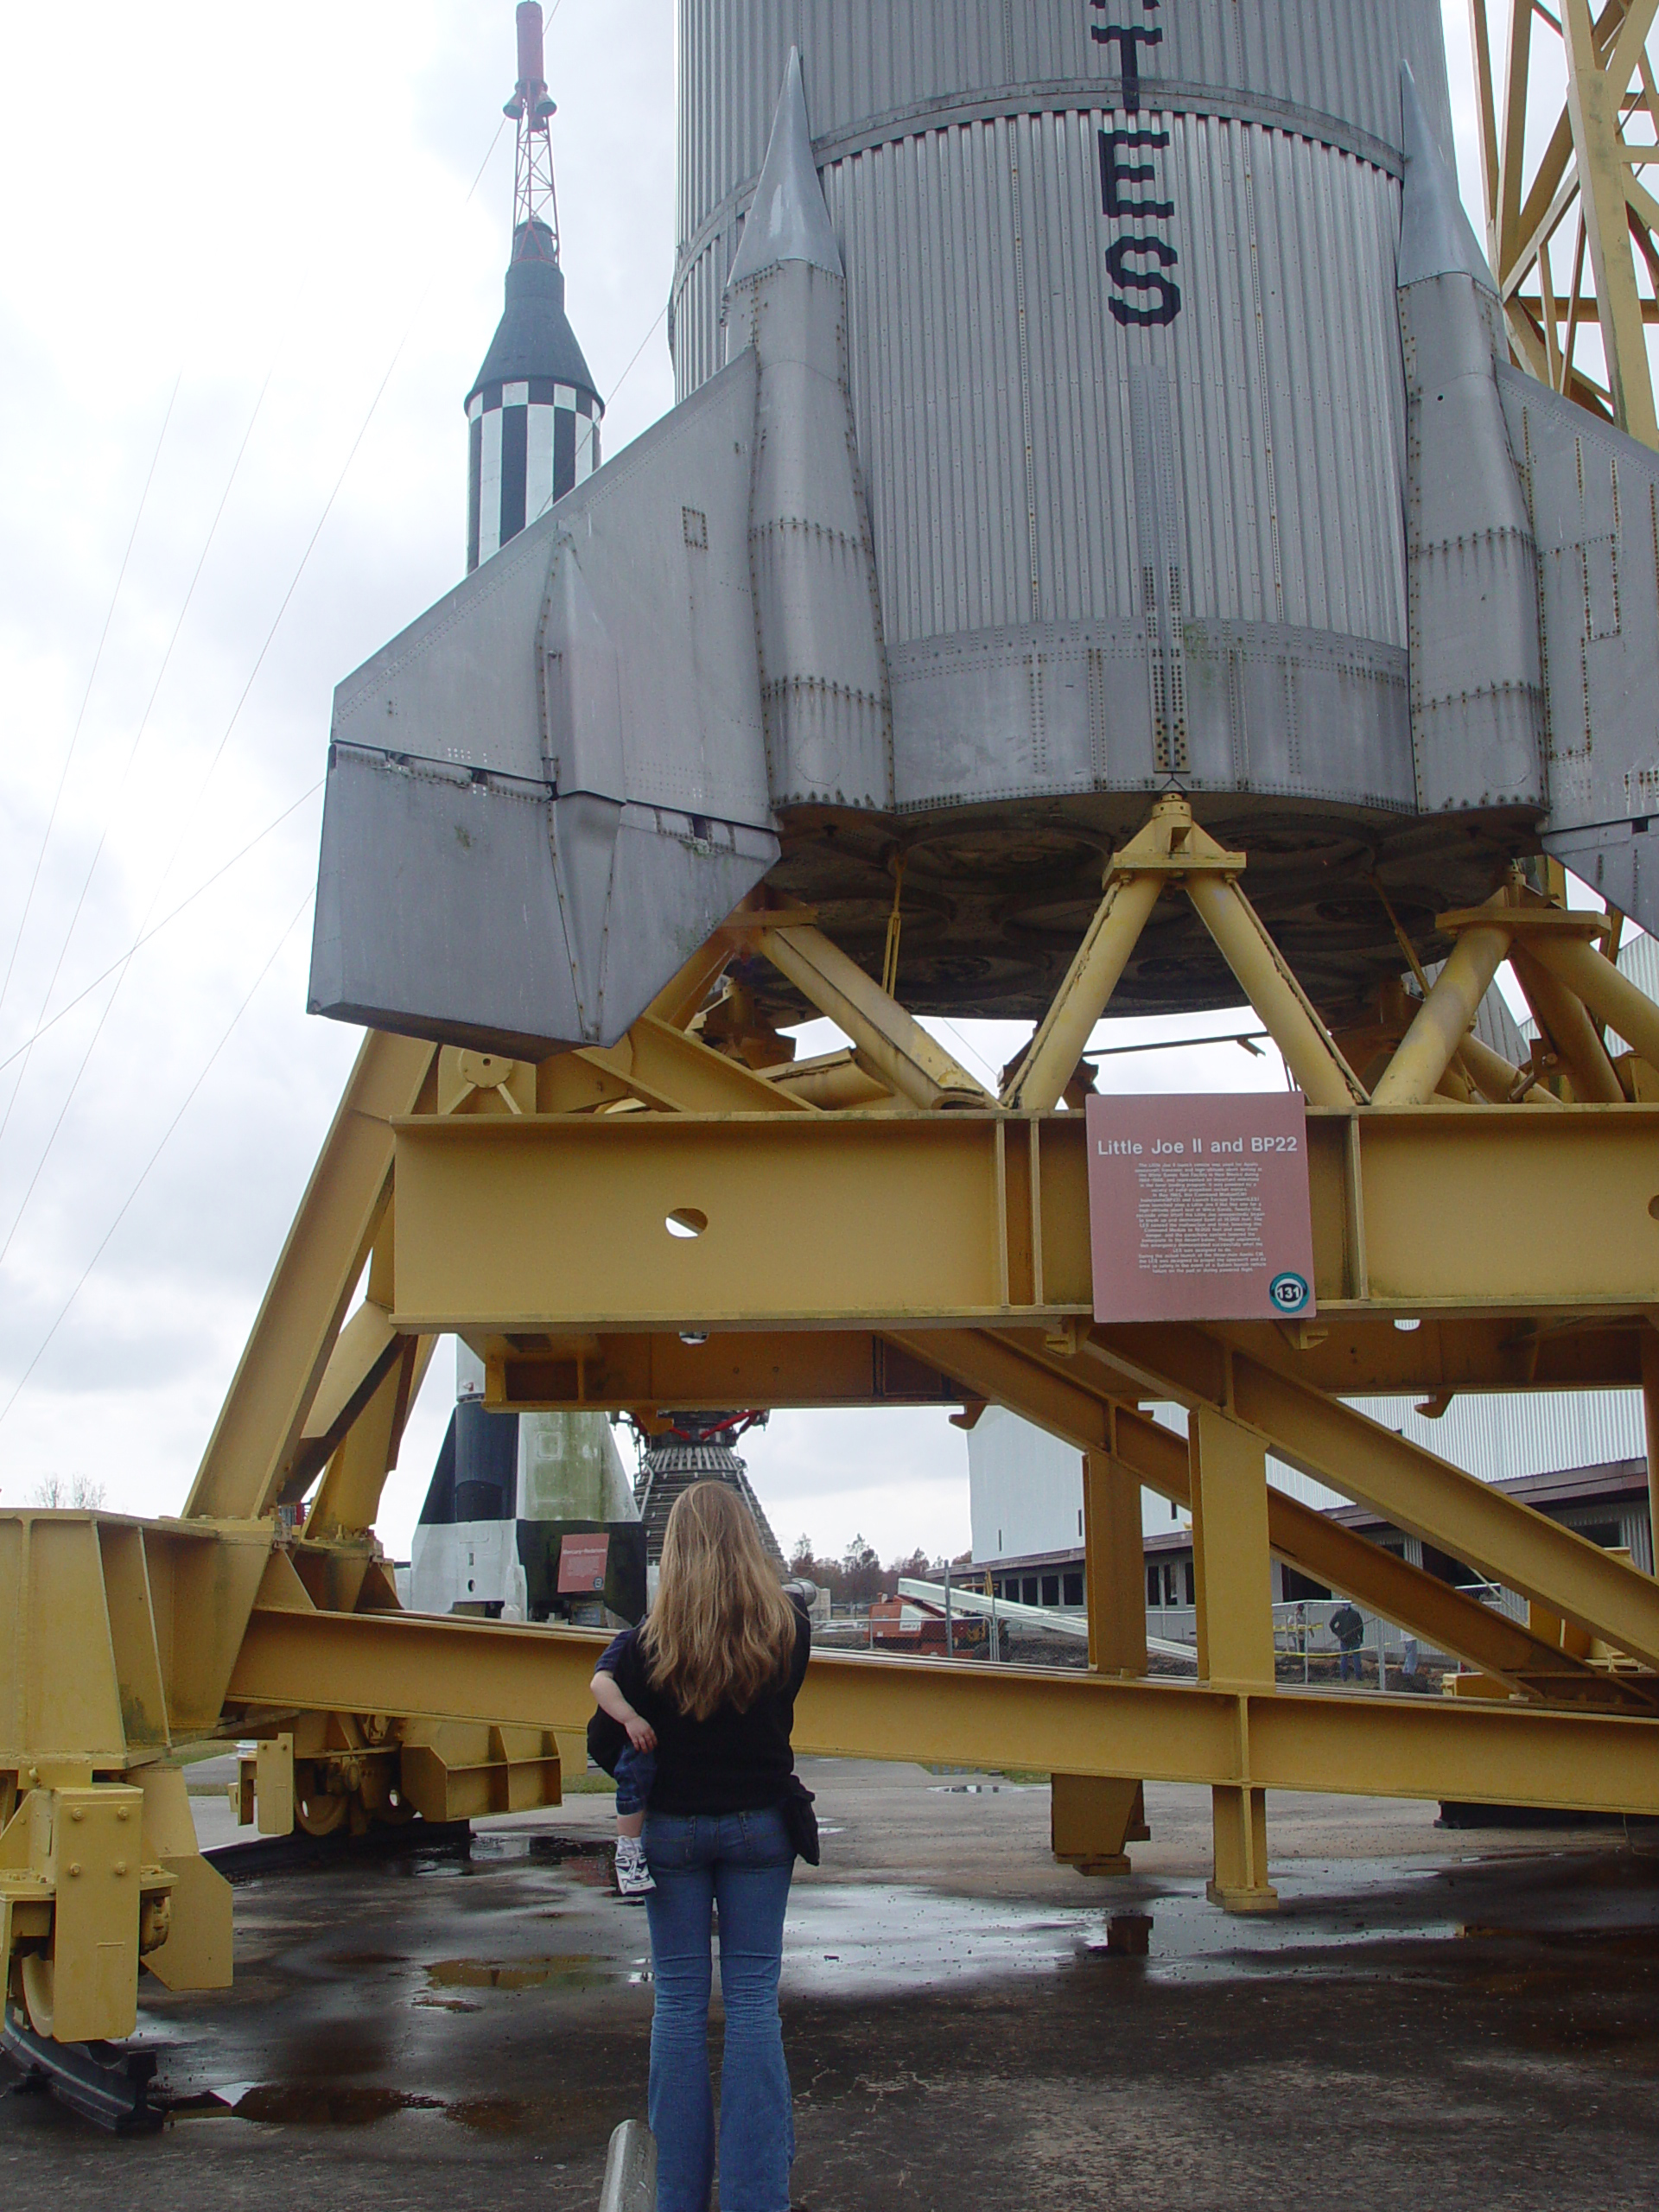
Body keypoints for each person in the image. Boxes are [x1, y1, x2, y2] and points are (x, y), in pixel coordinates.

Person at [587, 1483, 810, 2212]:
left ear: (671, 1550)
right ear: (747, 1540)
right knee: (752, 2004)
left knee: (679, 2006)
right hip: (760, 1829)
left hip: (673, 1833)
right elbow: (780, 1712)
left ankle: (676, 2196)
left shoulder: (645, 1647)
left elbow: (602, 1739)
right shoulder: (790, 1626)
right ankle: (757, 2198)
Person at [591, 1636, 659, 1895]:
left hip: (655, 1727)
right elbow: (599, 1682)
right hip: (632, 1733)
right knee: (636, 1772)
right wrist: (629, 1718)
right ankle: (628, 1851)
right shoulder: (633, 1640)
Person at [1330, 1599, 1366, 1681]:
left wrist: (1338, 1634)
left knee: (1345, 1658)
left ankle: (1345, 1677)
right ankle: (1358, 1677)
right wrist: (1361, 1638)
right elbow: (1361, 1628)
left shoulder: (1342, 1613)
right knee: (1353, 1658)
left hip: (1348, 1639)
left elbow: (1331, 1625)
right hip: (1351, 1639)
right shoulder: (1354, 1614)